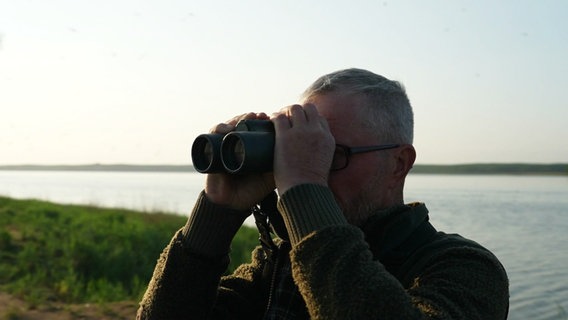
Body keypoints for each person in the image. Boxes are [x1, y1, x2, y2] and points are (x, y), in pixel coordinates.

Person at [137, 68, 509, 319]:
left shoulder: (465, 268)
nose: (308, 172)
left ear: (398, 163)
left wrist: (305, 192)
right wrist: (216, 215)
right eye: (301, 153)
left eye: (331, 154)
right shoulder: (278, 268)